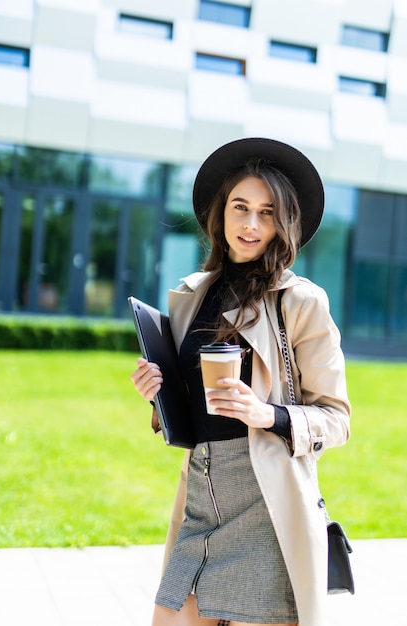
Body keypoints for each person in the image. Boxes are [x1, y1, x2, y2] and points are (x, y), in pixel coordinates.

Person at [131, 138, 351, 626]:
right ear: (221, 214)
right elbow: (193, 409)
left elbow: (336, 419)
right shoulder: (191, 296)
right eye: (241, 207)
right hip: (201, 499)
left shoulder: (301, 302)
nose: (251, 224)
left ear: (284, 223)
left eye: (267, 212)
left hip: (266, 507)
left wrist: (265, 413)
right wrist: (158, 396)